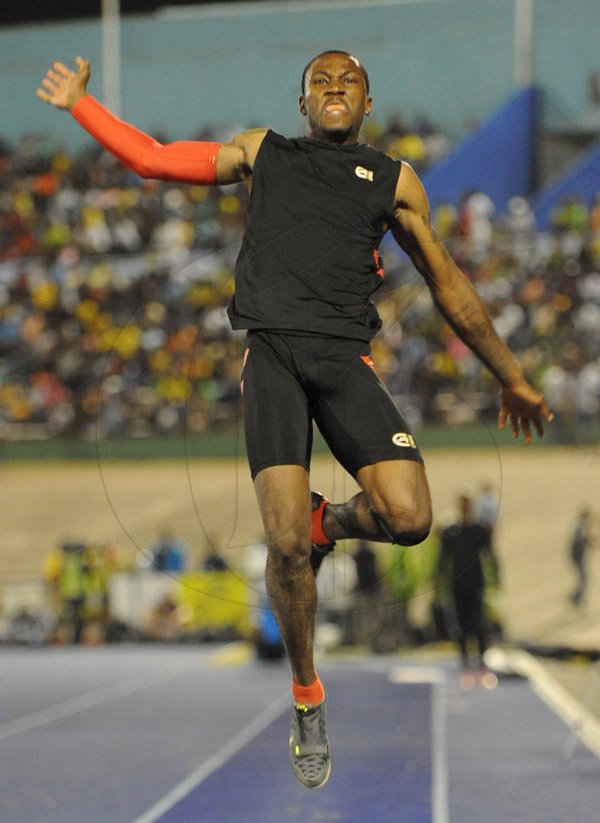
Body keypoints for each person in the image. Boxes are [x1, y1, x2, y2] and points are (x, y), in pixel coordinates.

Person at [37, 50, 552, 788]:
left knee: (409, 518)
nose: (335, 86)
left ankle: (323, 526)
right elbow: (151, 160)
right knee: (280, 548)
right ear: (302, 102)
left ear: (368, 104)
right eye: (321, 80)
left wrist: (514, 377)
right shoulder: (261, 152)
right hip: (273, 357)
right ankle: (308, 694)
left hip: (345, 361)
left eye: (349, 80)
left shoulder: (392, 179)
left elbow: (450, 286)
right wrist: (83, 105)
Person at [437, 493, 499, 689]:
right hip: (456, 585)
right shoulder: (451, 531)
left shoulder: (479, 530)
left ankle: (481, 663)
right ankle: (465, 664)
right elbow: (442, 558)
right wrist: (437, 577)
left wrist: (496, 576)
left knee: (479, 623)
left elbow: (490, 554)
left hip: (476, 583)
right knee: (459, 625)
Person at [568, 507, 594, 607]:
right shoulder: (579, 526)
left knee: (584, 578)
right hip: (577, 555)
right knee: (585, 578)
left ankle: (576, 597)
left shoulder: (579, 525)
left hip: (577, 555)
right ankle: (575, 597)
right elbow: (580, 539)